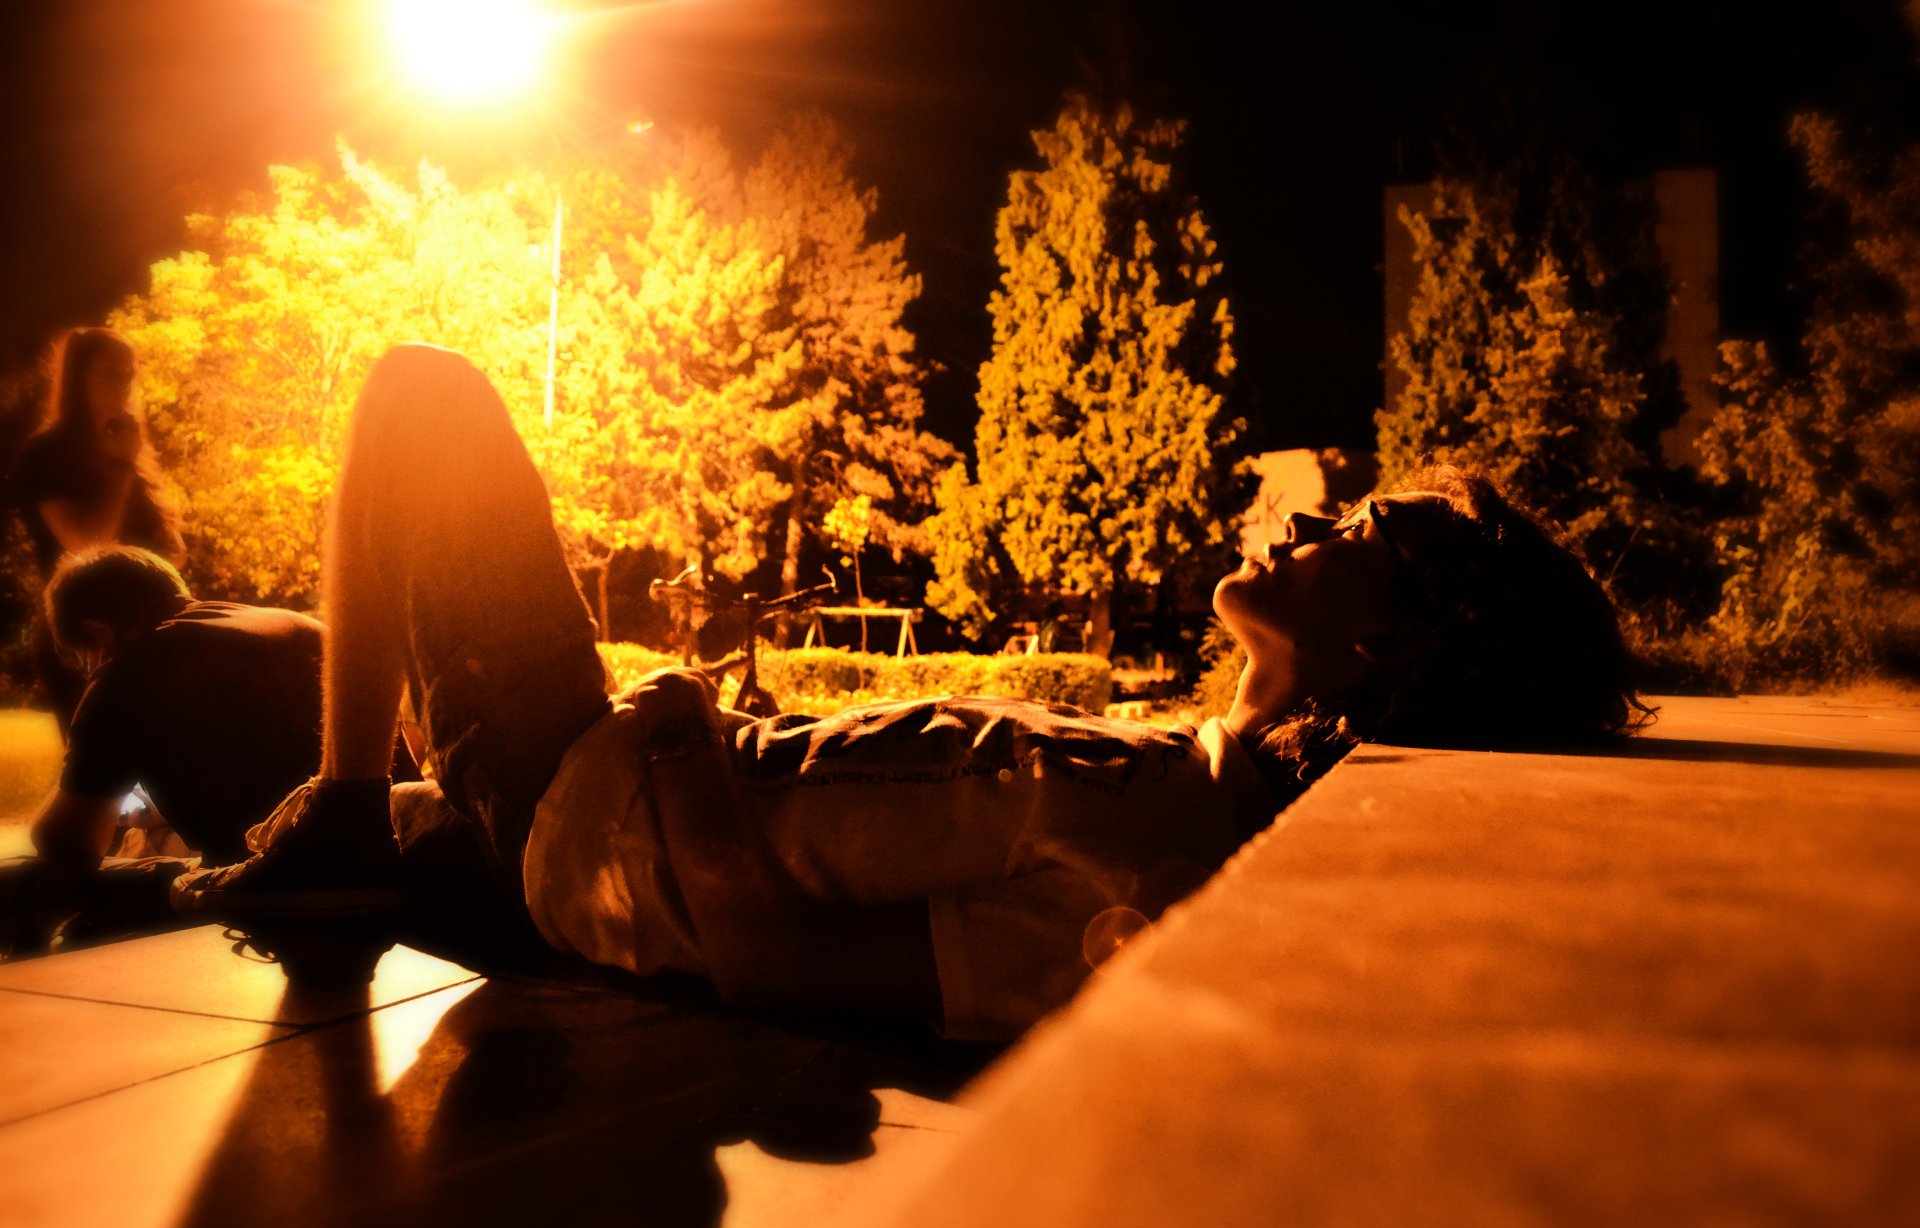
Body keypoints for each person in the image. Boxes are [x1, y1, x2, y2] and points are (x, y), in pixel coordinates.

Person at [173, 344, 1645, 1040]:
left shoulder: (1165, 859)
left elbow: (783, 972)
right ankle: (351, 823)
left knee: (416, 398)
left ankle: (358, 815)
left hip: (595, 800)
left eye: (1355, 539)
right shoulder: (1193, 778)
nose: (1308, 524)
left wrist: (682, 732)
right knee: (227, 841)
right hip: (589, 817)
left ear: (1386, 653)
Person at [16, 547, 331, 945]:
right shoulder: (304, 629)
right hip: (388, 865)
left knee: (21, 883)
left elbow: (68, 845)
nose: (89, 676)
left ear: (98, 632)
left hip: (275, 889)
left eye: (83, 662)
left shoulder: (128, 672)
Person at [8, 328, 185, 731]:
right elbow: (87, 543)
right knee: (104, 784)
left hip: (148, 639)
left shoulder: (131, 452)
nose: (123, 384)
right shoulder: (47, 455)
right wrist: (121, 467)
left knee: (154, 784)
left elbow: (171, 548)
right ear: (77, 380)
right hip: (83, 642)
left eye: (129, 373)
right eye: (109, 373)